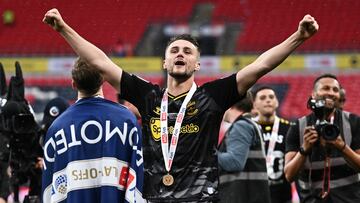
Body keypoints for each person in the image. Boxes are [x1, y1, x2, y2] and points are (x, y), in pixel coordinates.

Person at [43, 8, 318, 202]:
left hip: (201, 198)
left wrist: (299, 37)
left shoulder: (214, 95)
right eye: (174, 51)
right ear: (164, 62)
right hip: (153, 198)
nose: (180, 55)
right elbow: (101, 62)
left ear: (197, 63)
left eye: (187, 52)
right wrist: (63, 29)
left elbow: (260, 66)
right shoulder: (148, 96)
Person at [41, 58, 144, 203]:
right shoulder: (127, 120)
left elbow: (49, 190)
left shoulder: (57, 127)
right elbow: (138, 179)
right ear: (103, 80)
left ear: (73, 84)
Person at [284, 74, 360, 203]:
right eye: (325, 88)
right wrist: (304, 149)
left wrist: (342, 147)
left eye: (335, 90)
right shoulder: (298, 126)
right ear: (313, 94)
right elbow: (289, 175)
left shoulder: (354, 122)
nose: (331, 93)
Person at [218, 93, 270, 203]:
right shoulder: (248, 124)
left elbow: (234, 162)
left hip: (242, 196)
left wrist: (207, 153)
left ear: (230, 104)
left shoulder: (241, 126)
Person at [252, 86, 293, 203]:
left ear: (277, 102)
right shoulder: (246, 127)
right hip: (254, 194)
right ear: (254, 105)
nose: (268, 100)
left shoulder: (289, 128)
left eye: (271, 97)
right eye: (263, 98)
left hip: (282, 195)